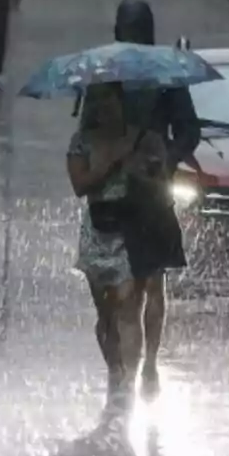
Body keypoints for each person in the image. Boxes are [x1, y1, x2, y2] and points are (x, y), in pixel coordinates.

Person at [113, 0, 201, 399]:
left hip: (144, 191)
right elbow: (189, 132)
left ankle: (143, 365)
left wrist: (164, 156)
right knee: (138, 285)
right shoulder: (115, 77)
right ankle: (137, 367)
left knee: (147, 284)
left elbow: (188, 131)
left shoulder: (156, 77)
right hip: (122, 191)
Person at [67, 82, 172, 411]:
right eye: (97, 101)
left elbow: (162, 180)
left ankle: (130, 377)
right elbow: (79, 186)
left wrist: (142, 168)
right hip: (99, 231)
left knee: (129, 306)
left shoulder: (143, 137)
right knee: (106, 313)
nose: (104, 107)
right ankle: (115, 370)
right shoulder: (81, 143)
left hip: (133, 229)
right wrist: (110, 163)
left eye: (110, 99)